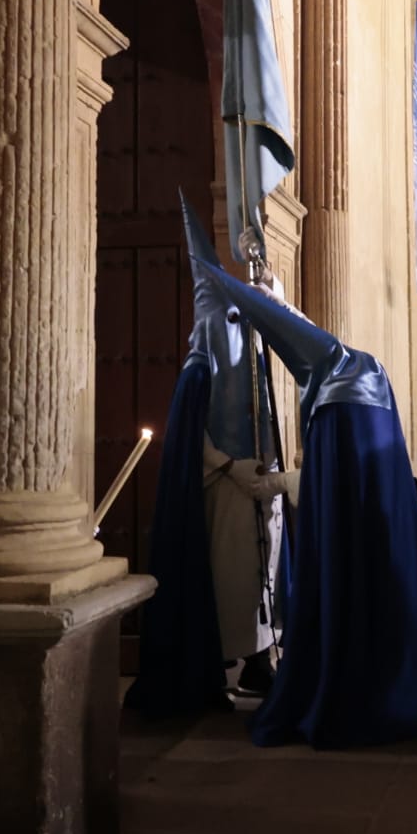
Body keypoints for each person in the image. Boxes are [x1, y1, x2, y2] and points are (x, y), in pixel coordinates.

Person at [194, 259, 417, 749]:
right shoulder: (365, 371)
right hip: (383, 540)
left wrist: (274, 484)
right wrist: (276, 295)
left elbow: (327, 482)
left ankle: (325, 687)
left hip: (314, 527)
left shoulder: (335, 399)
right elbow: (311, 341)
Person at [126, 193, 295, 717]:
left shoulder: (254, 358)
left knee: (263, 574)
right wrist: (229, 467)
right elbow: (189, 441)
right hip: (222, 489)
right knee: (228, 581)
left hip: (260, 486)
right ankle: (215, 668)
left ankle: (261, 660)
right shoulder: (199, 371)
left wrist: (276, 299)